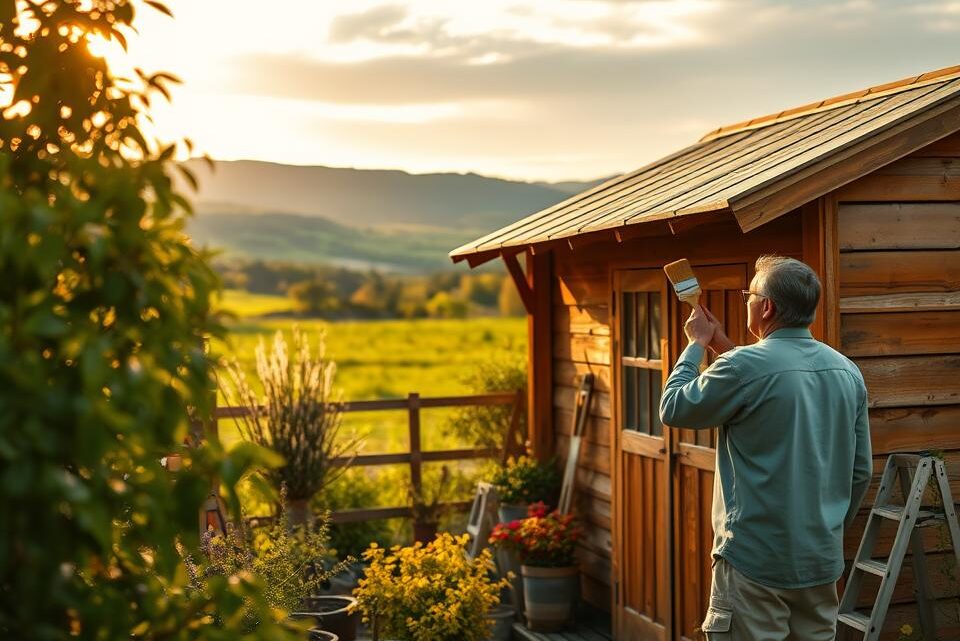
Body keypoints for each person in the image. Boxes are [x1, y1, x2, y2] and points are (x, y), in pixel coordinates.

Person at [659, 255, 872, 641]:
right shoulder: (847, 370)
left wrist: (696, 345)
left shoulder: (743, 367)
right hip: (820, 559)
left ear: (767, 306)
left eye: (749, 295)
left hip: (753, 561)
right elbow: (861, 472)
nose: (747, 301)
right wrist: (722, 345)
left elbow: (673, 407)